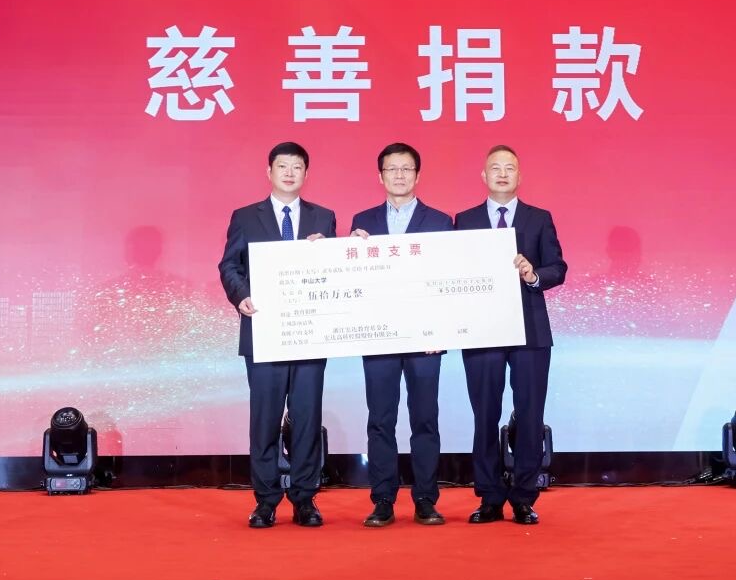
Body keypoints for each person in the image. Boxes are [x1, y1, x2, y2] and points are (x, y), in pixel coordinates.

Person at [218, 142, 337, 529]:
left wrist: (330, 252)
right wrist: (241, 295)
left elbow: (335, 273)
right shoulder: (245, 216)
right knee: (264, 421)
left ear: (306, 173)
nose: (289, 172)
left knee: (306, 420)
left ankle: (304, 499)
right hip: (264, 333)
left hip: (309, 336)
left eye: (297, 166)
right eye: (282, 166)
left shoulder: (324, 217)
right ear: (269, 172)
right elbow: (229, 265)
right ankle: (266, 500)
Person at [454, 145, 567, 525]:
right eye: (495, 168)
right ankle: (488, 497)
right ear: (483, 176)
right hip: (482, 331)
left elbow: (558, 267)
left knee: (530, 416)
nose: (502, 174)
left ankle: (523, 496)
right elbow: (451, 272)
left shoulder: (539, 218)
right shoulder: (465, 220)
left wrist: (533, 274)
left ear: (519, 176)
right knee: (485, 415)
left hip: (530, 332)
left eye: (510, 168)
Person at [348, 142, 454, 528]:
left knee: (425, 418)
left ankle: (425, 499)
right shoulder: (363, 222)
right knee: (381, 419)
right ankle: (383, 500)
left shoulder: (441, 222)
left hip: (426, 338)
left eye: (406, 168)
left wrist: (442, 329)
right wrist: (349, 251)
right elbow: (352, 278)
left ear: (417, 175)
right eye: (391, 169)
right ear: (380, 176)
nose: (399, 175)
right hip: (378, 336)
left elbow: (449, 279)